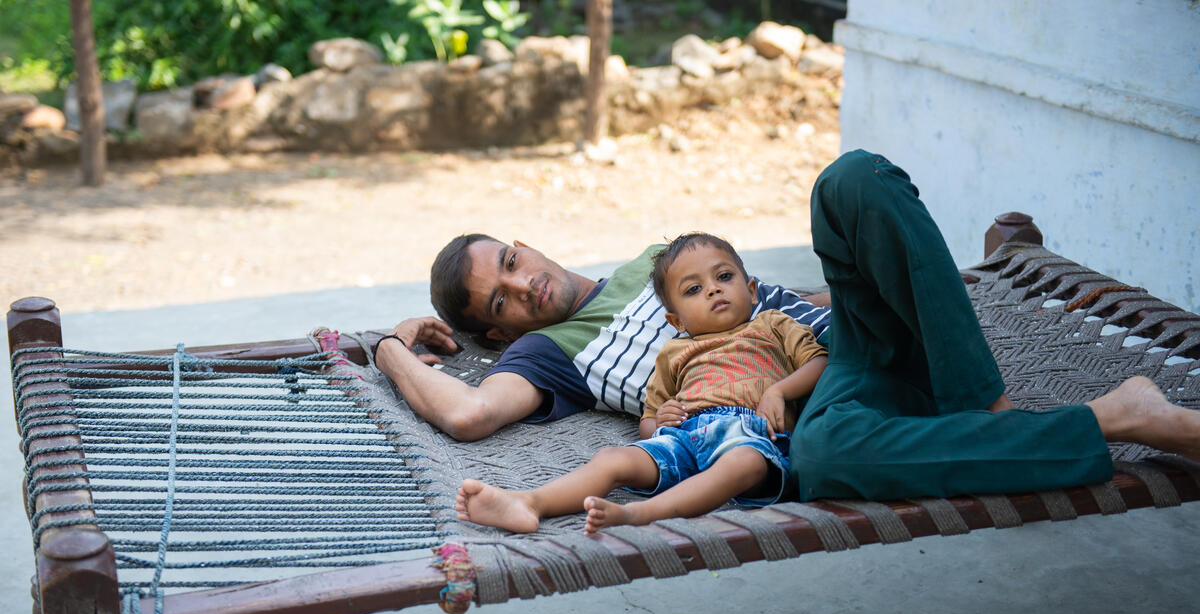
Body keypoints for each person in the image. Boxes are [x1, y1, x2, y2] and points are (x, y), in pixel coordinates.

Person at [378, 149, 1200, 502]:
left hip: (854, 338)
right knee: (828, 458)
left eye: (511, 262)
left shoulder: (657, 257)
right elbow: (466, 413)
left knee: (847, 182)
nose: (525, 285)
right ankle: (1117, 415)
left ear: (522, 244)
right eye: (501, 301)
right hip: (828, 405)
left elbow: (772, 294)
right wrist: (385, 345)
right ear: (496, 333)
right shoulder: (547, 354)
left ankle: (973, 394)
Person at [453, 232, 828, 534]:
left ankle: (642, 515)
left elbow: (818, 361)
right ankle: (529, 502)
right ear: (675, 320)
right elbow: (650, 422)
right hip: (686, 436)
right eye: (693, 290)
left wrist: (780, 391)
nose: (713, 289)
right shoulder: (675, 351)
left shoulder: (775, 325)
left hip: (750, 433)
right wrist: (660, 421)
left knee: (745, 464)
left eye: (724, 277)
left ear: (751, 291)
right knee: (613, 459)